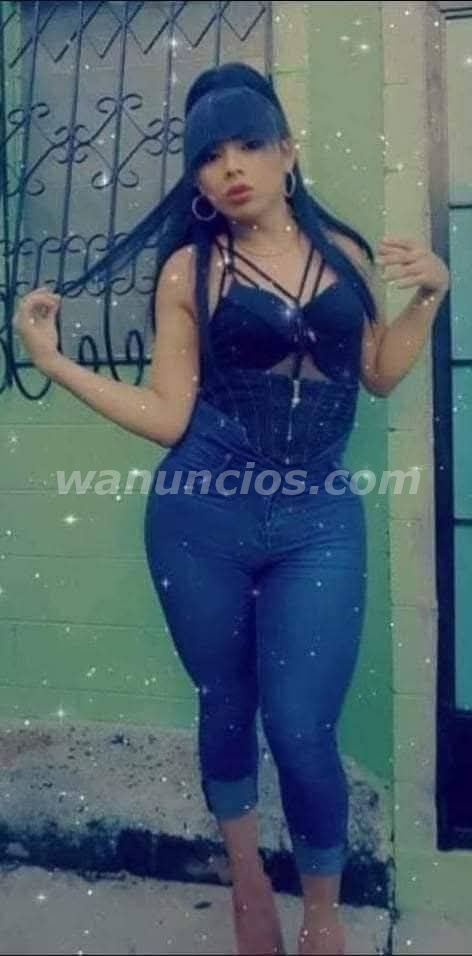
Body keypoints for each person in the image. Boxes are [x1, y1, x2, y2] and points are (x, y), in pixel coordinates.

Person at [14, 61, 449, 956]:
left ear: (288, 150)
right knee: (226, 699)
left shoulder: (345, 254)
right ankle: (247, 879)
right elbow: (167, 415)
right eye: (210, 155)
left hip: (317, 519)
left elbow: (378, 372)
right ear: (198, 178)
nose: (232, 167)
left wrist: (433, 296)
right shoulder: (189, 270)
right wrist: (54, 364)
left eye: (250, 144)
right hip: (200, 517)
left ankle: (322, 913)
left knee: (301, 727)